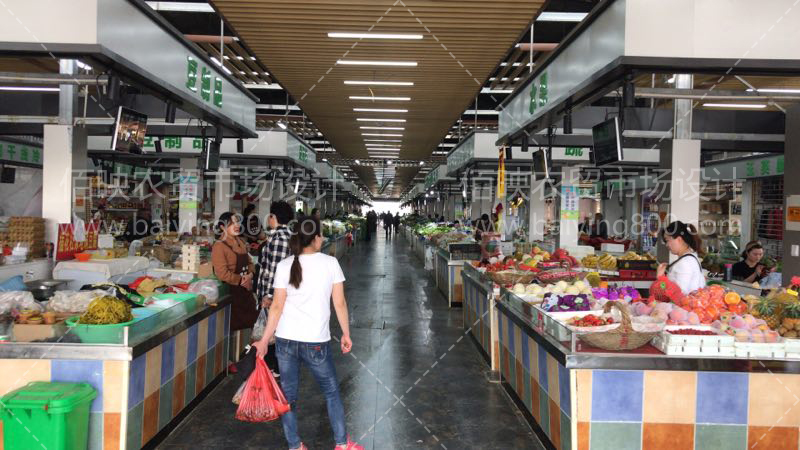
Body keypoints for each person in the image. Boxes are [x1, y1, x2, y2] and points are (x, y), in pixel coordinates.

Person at [253, 216, 363, 450]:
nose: (322, 238)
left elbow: (276, 306)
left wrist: (264, 340)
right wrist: (346, 333)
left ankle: (295, 446)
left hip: (285, 341)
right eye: (320, 234)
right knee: (331, 393)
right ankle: (342, 444)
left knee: (288, 397)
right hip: (315, 341)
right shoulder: (330, 263)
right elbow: (339, 303)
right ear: (315, 238)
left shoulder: (285, 265)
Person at [253, 200, 294, 376]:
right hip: (279, 294)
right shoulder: (283, 236)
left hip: (275, 295)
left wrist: (269, 295)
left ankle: (275, 369)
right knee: (275, 330)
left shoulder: (280, 239)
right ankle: (274, 368)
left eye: (270, 216)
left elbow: (275, 270)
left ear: (274, 217)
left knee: (273, 331)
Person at [211, 212, 259, 350]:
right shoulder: (219, 246)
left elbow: (250, 262)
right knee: (231, 328)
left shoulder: (241, 242)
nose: (237, 225)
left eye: (237, 222)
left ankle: (247, 354)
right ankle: (231, 357)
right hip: (232, 293)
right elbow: (222, 273)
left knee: (251, 323)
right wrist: (241, 280)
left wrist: (250, 275)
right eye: (232, 223)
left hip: (245, 292)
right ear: (222, 227)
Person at [656, 221, 706, 295]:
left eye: (667, 240)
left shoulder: (684, 263)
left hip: (682, 302)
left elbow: (677, 295)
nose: (667, 244)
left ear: (679, 239)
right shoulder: (691, 257)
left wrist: (661, 278)